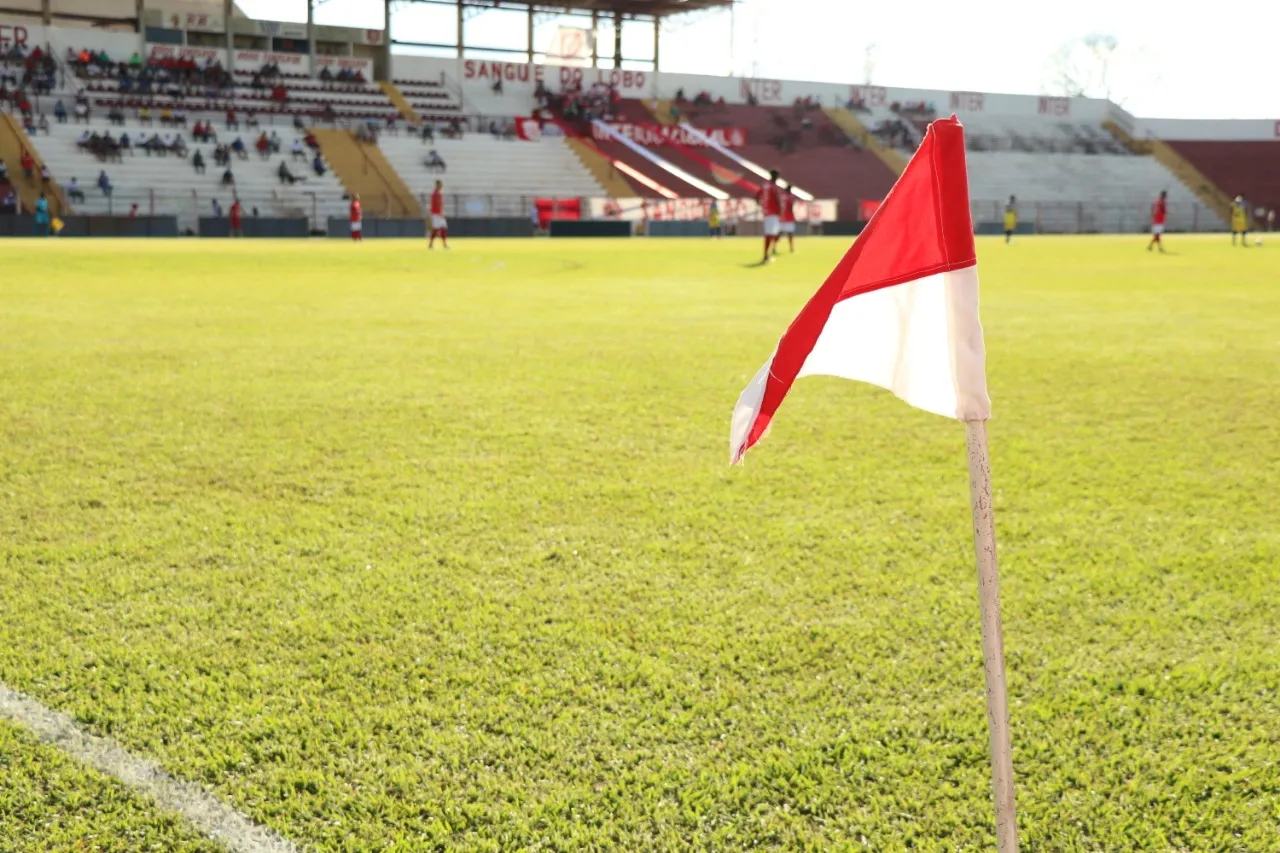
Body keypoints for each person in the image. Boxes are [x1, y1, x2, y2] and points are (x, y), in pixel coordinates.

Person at [758, 170, 782, 263]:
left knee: (771, 234)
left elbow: (757, 195)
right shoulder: (773, 186)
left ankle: (768, 254)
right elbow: (776, 199)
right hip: (773, 212)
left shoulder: (765, 185)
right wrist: (779, 210)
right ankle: (766, 256)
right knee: (770, 234)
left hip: (767, 212)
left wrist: (763, 206)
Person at [428, 179, 448, 250]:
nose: (441, 186)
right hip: (437, 214)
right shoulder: (437, 194)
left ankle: (444, 245)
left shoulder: (436, 193)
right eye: (440, 185)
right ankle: (432, 245)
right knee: (437, 229)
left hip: (436, 213)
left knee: (442, 228)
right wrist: (441, 213)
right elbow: (438, 204)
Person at [777, 183, 797, 254]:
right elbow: (790, 207)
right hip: (788, 217)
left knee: (779, 233)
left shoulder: (782, 196)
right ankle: (791, 248)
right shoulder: (791, 196)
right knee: (790, 233)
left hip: (782, 217)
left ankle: (774, 247)